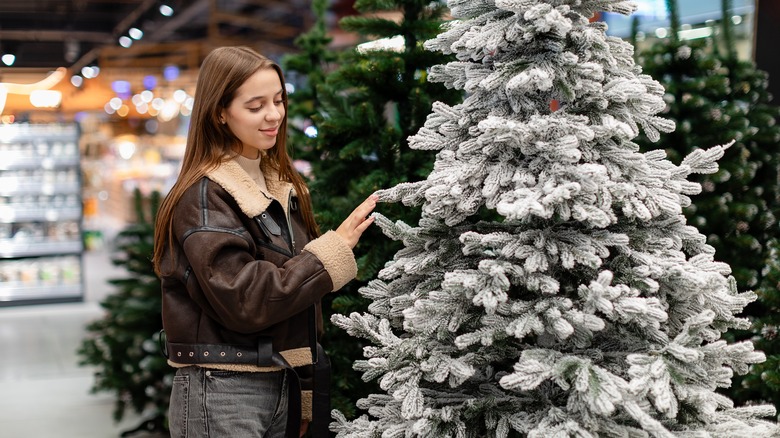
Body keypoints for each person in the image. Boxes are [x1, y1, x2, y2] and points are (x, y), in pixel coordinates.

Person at [152, 46, 377, 438]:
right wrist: (331, 252)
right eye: (255, 106)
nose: (274, 115)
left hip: (279, 385)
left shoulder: (278, 185)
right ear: (220, 113)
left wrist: (304, 390)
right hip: (223, 391)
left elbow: (296, 312)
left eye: (278, 100)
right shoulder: (205, 195)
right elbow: (246, 299)